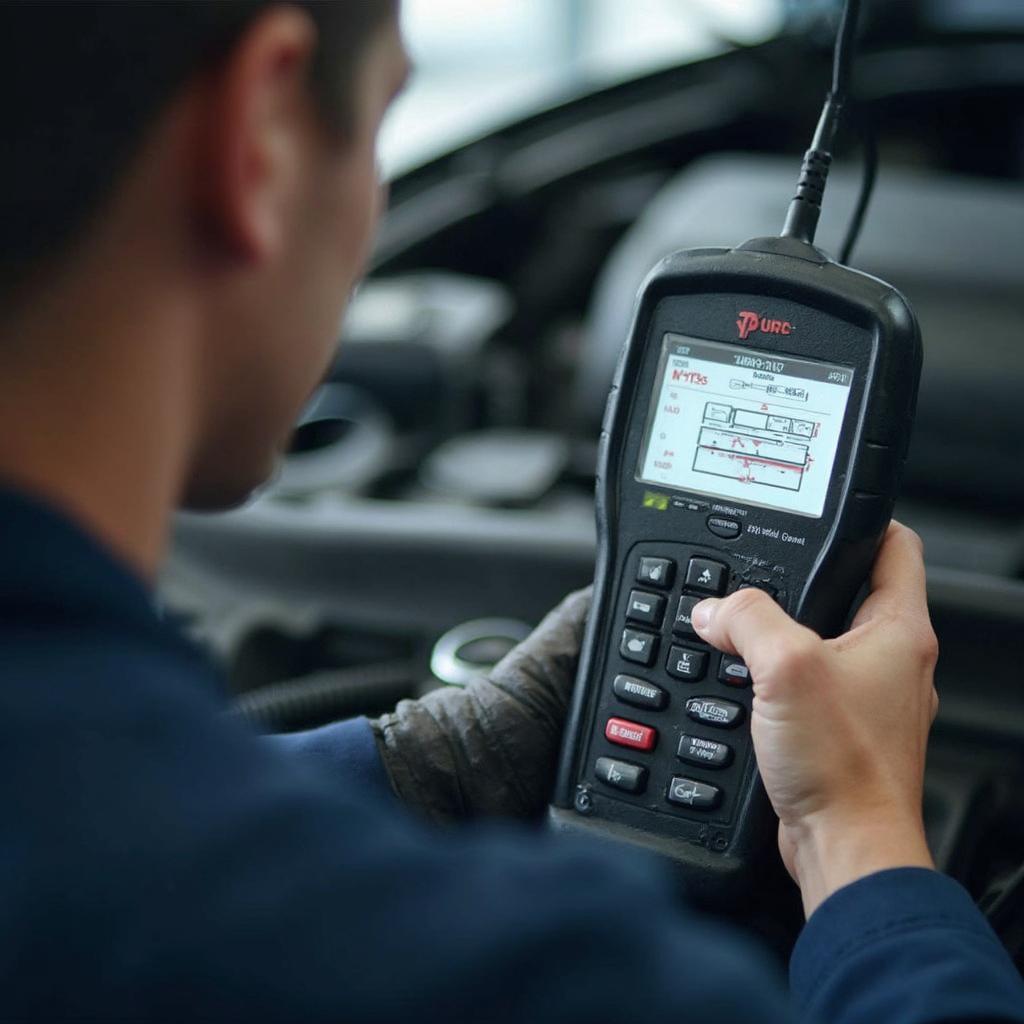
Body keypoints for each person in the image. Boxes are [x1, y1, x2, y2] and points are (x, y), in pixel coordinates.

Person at [0, 1, 1020, 1021]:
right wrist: (860, 839)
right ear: (258, 136)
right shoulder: (530, 973)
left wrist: (424, 764)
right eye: (382, 120)